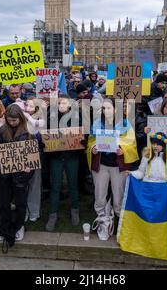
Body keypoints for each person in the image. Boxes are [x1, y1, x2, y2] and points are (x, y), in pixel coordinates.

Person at [87, 100, 139, 241]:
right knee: (100, 193)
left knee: (118, 196)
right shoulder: (97, 123)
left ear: (115, 109)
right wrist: (93, 148)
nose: (105, 110)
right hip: (101, 164)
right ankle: (102, 219)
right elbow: (91, 140)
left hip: (118, 166)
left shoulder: (125, 124)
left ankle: (119, 221)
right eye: (103, 108)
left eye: (108, 108)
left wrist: (123, 150)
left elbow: (131, 143)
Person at [0, 104, 36, 249]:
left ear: (20, 118)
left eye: (14, 120)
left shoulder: (29, 131)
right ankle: (4, 227)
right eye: (9, 120)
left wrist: (29, 166)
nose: (12, 123)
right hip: (5, 174)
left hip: (21, 175)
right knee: (4, 202)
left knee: (20, 203)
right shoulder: (1, 131)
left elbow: (34, 153)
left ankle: (19, 226)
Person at [45, 95, 81, 232]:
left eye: (64, 103)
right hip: (56, 157)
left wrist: (81, 140)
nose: (61, 105)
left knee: (73, 184)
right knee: (56, 186)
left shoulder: (78, 118)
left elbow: (83, 136)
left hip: (72, 157)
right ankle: (52, 214)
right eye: (59, 103)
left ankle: (75, 210)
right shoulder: (51, 118)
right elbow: (46, 136)